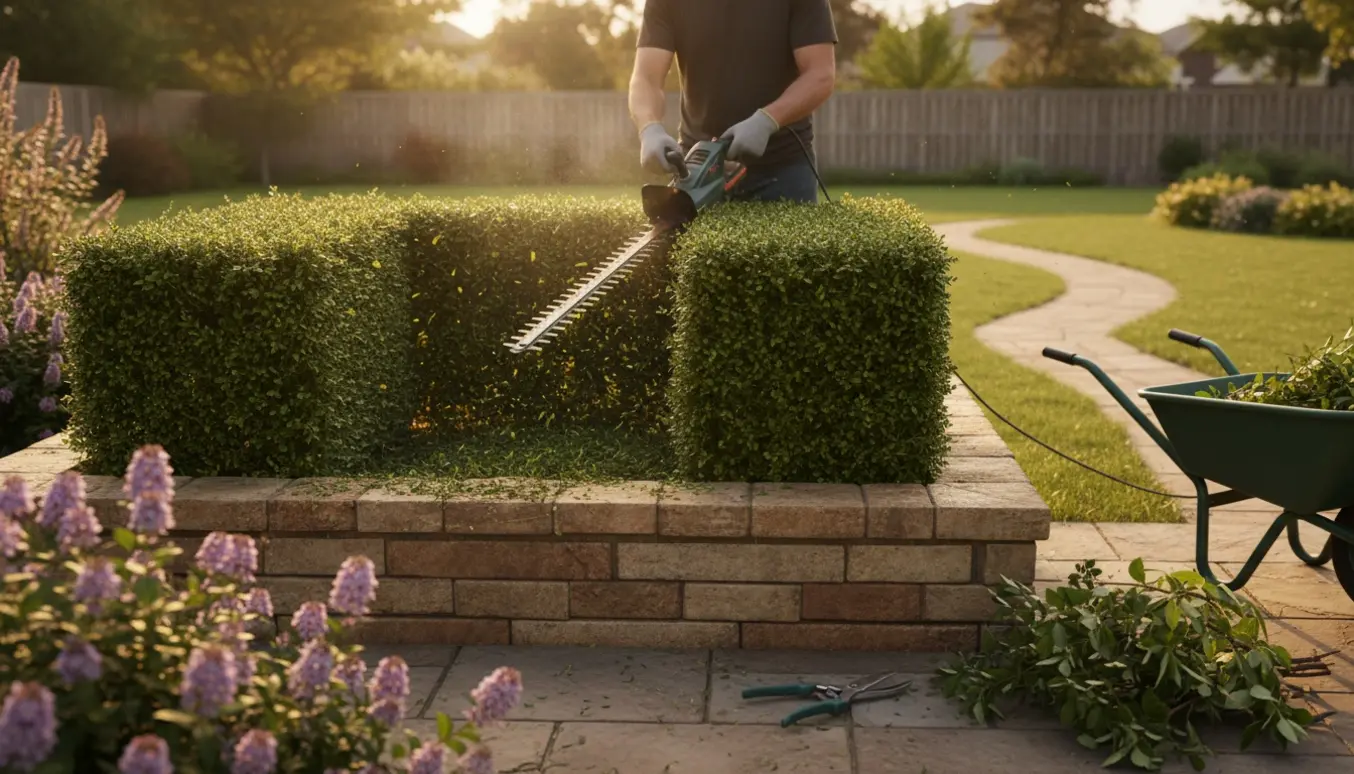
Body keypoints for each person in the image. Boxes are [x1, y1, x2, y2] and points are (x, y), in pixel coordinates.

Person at [627, 0, 838, 204]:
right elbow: (646, 78)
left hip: (782, 169)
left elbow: (820, 74)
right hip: (698, 171)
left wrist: (767, 120)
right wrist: (649, 128)